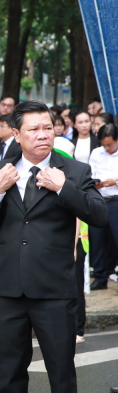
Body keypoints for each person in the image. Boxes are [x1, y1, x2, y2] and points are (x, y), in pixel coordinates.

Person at [0, 101, 107, 393]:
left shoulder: (73, 170)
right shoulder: (0, 170)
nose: (43, 135)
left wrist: (65, 189)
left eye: (48, 128)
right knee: (11, 371)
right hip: (10, 291)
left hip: (55, 289)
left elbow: (99, 215)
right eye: (34, 129)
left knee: (61, 371)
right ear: (16, 134)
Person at [87, 124, 118, 292]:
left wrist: (115, 182)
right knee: (97, 240)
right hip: (99, 199)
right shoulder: (96, 153)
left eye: (110, 145)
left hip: (116, 199)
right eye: (104, 144)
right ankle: (100, 277)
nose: (106, 148)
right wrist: (96, 182)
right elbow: (90, 174)